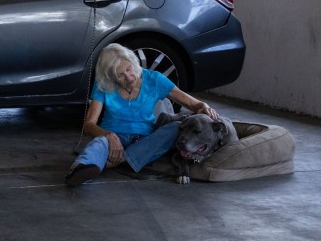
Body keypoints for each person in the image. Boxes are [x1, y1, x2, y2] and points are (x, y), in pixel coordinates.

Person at [65, 43, 222, 187]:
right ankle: (79, 169)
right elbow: (89, 124)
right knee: (98, 144)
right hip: (112, 136)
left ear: (134, 63)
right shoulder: (103, 85)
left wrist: (204, 106)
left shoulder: (154, 79)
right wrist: (109, 136)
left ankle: (119, 160)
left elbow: (192, 103)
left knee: (175, 128)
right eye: (120, 75)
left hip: (145, 140)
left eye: (129, 69)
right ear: (110, 76)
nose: (129, 77)